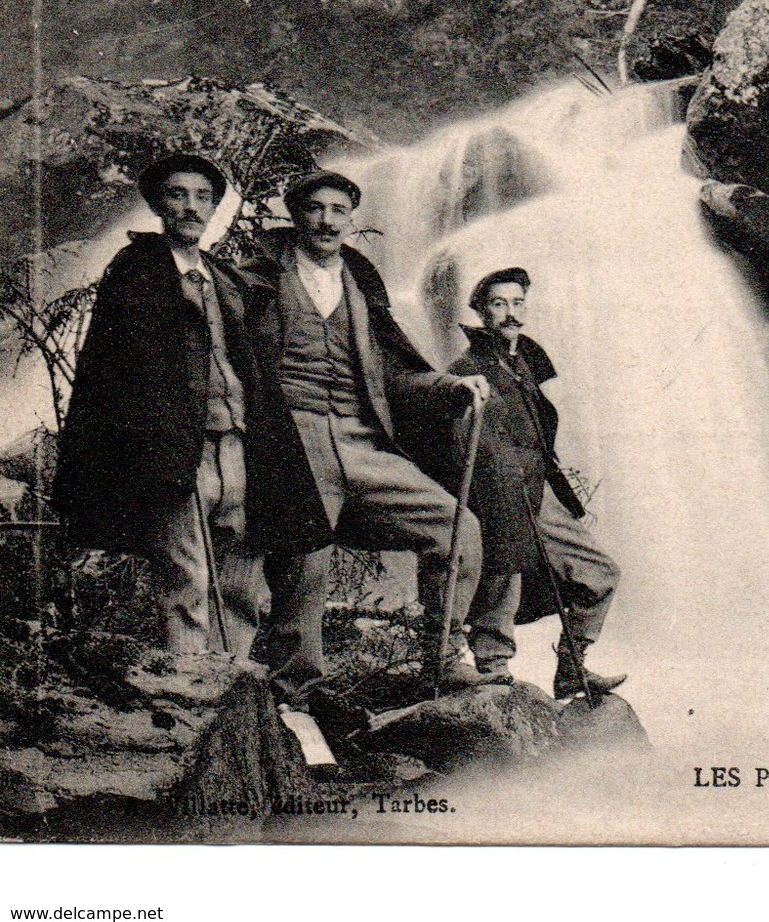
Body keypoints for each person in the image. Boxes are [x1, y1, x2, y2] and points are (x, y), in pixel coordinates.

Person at [236, 170, 491, 724]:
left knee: (457, 528)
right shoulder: (255, 278)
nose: (327, 220)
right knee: (308, 558)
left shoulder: (362, 285)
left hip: (358, 435)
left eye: (338, 210)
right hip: (290, 436)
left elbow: (391, 374)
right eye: (315, 209)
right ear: (295, 215)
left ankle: (444, 654)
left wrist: (449, 384)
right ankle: (295, 696)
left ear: (352, 219)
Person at [54, 152, 265, 657]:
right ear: (157, 205)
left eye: (203, 197)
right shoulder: (136, 274)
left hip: (236, 442)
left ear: (214, 207)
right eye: (178, 195)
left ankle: (233, 689)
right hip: (177, 448)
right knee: (185, 575)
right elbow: (111, 372)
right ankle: (189, 688)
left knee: (240, 575)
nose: (191, 207)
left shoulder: (226, 279)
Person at [450, 267, 625, 699]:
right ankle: (493, 669)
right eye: (498, 304)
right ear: (480, 312)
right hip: (495, 489)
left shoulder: (526, 360)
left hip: (538, 484)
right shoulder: (466, 367)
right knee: (501, 569)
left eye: (517, 302)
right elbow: (453, 438)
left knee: (600, 572)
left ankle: (572, 667)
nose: (510, 313)